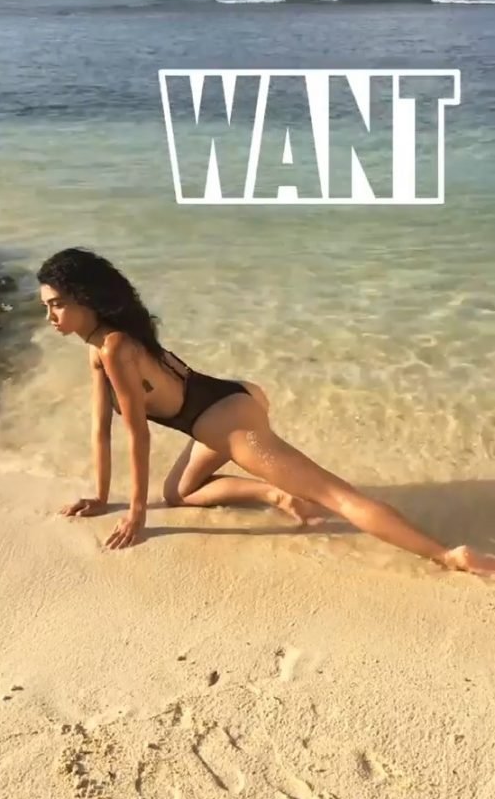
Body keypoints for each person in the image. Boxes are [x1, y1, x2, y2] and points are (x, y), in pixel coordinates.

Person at [37, 247, 495, 576]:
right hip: (227, 399)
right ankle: (277, 495)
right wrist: (101, 497)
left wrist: (136, 513)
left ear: (86, 299)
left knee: (337, 497)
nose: (50, 317)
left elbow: (138, 434)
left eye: (57, 304)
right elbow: (100, 428)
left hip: (228, 422)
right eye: (46, 307)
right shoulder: (101, 345)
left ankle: (449, 554)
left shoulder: (115, 347)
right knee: (179, 492)